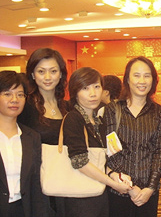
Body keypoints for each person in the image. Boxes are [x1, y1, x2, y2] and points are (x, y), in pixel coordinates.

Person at [63, 67, 131, 217]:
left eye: (96, 87)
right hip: (80, 198)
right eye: (85, 88)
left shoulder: (98, 121)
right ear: (75, 92)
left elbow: (100, 160)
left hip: (97, 194)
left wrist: (114, 175)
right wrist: (113, 183)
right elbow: (80, 162)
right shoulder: (74, 119)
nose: (93, 94)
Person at [104, 56, 161, 217]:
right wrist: (130, 187)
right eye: (136, 75)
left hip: (148, 193)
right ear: (127, 79)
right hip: (118, 191)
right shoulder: (112, 110)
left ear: (153, 80)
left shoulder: (158, 112)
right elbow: (110, 151)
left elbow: (160, 152)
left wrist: (150, 187)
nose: (142, 81)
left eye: (147, 75)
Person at [18, 48, 69, 217]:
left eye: (53, 71)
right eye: (41, 71)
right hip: (36, 185)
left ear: (61, 74)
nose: (47, 77)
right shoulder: (24, 107)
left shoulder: (67, 106)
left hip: (64, 181)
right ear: (32, 74)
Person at [0, 70, 47, 217]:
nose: (14, 99)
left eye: (20, 94)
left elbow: (36, 184)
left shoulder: (31, 137)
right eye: (7, 94)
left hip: (23, 209)